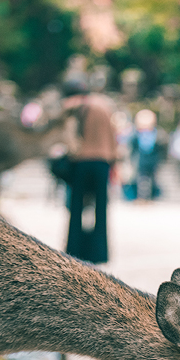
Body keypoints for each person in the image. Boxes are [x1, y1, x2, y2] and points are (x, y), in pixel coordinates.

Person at [62, 81, 116, 264]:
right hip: (103, 160)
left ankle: (74, 249)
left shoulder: (74, 106)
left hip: (81, 160)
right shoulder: (104, 106)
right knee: (100, 209)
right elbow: (113, 135)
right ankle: (99, 252)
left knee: (76, 206)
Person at [131, 109, 165, 201]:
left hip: (153, 160)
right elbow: (133, 147)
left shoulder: (157, 134)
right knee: (141, 180)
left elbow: (161, 148)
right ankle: (142, 197)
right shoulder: (136, 134)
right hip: (141, 161)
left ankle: (151, 197)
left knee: (152, 180)